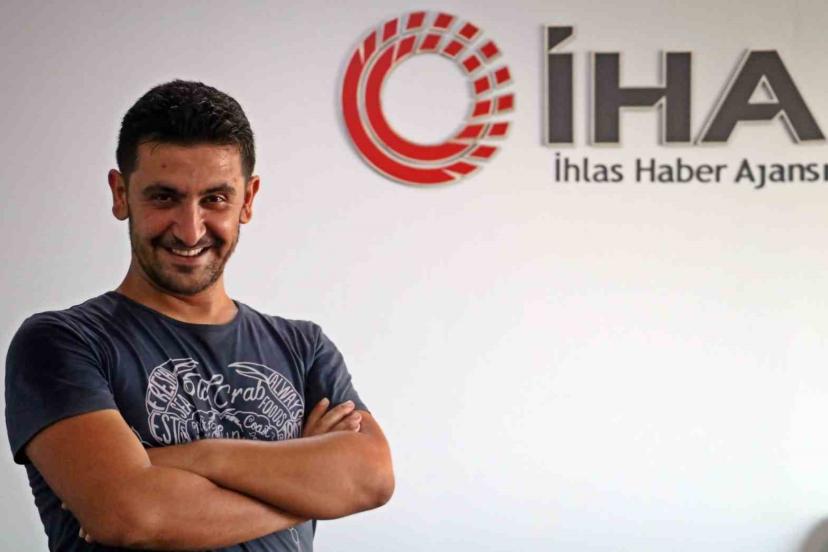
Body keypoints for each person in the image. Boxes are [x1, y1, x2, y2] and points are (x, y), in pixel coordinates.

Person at [4, 80, 394, 551]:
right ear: (121, 193)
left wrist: (189, 459)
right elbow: (132, 514)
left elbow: (371, 478)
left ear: (248, 199)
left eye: (215, 198)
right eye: (164, 197)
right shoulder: (61, 343)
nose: (190, 230)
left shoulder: (303, 348)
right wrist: (315, 488)